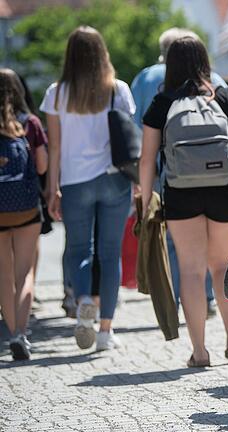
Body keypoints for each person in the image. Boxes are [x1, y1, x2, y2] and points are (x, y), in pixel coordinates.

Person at [139, 36, 228, 367]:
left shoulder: (161, 103)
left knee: (191, 271)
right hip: (224, 190)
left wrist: (145, 201)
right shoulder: (224, 98)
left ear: (170, 65)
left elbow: (147, 159)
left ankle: (199, 351)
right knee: (223, 266)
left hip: (180, 193)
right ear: (205, 62)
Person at [41, 27, 135, 352]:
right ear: (102, 53)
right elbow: (128, 139)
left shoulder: (56, 93)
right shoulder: (118, 90)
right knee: (110, 255)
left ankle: (83, 301)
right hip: (114, 180)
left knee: (80, 251)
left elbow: (54, 147)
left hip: (74, 181)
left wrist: (52, 189)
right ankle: (106, 331)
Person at [131, 27, 221, 319]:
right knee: (207, 239)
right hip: (215, 174)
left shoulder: (147, 79)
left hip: (166, 170)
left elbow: (137, 129)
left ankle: (180, 295)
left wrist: (143, 189)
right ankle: (206, 297)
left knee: (171, 238)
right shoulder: (214, 82)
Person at [0, 68, 48, 360]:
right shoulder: (30, 123)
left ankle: (10, 332)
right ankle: (21, 334)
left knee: (4, 275)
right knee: (25, 272)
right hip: (27, 207)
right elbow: (41, 167)